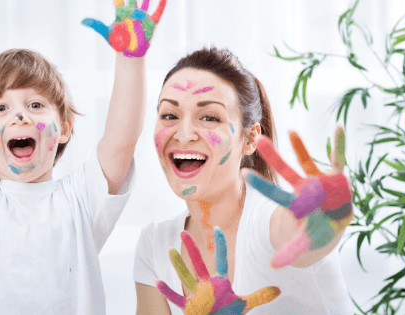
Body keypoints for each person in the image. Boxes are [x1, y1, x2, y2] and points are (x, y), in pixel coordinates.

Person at [0, 0, 166, 313]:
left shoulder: (81, 197)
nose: (19, 116)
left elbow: (122, 139)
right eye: (0, 108)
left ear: (64, 128)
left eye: (35, 105)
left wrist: (130, 60)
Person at [134, 47, 354, 314]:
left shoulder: (268, 222)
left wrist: (325, 217)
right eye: (169, 115)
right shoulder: (156, 243)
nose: (183, 134)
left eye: (209, 117)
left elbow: (291, 233)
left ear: (250, 139)